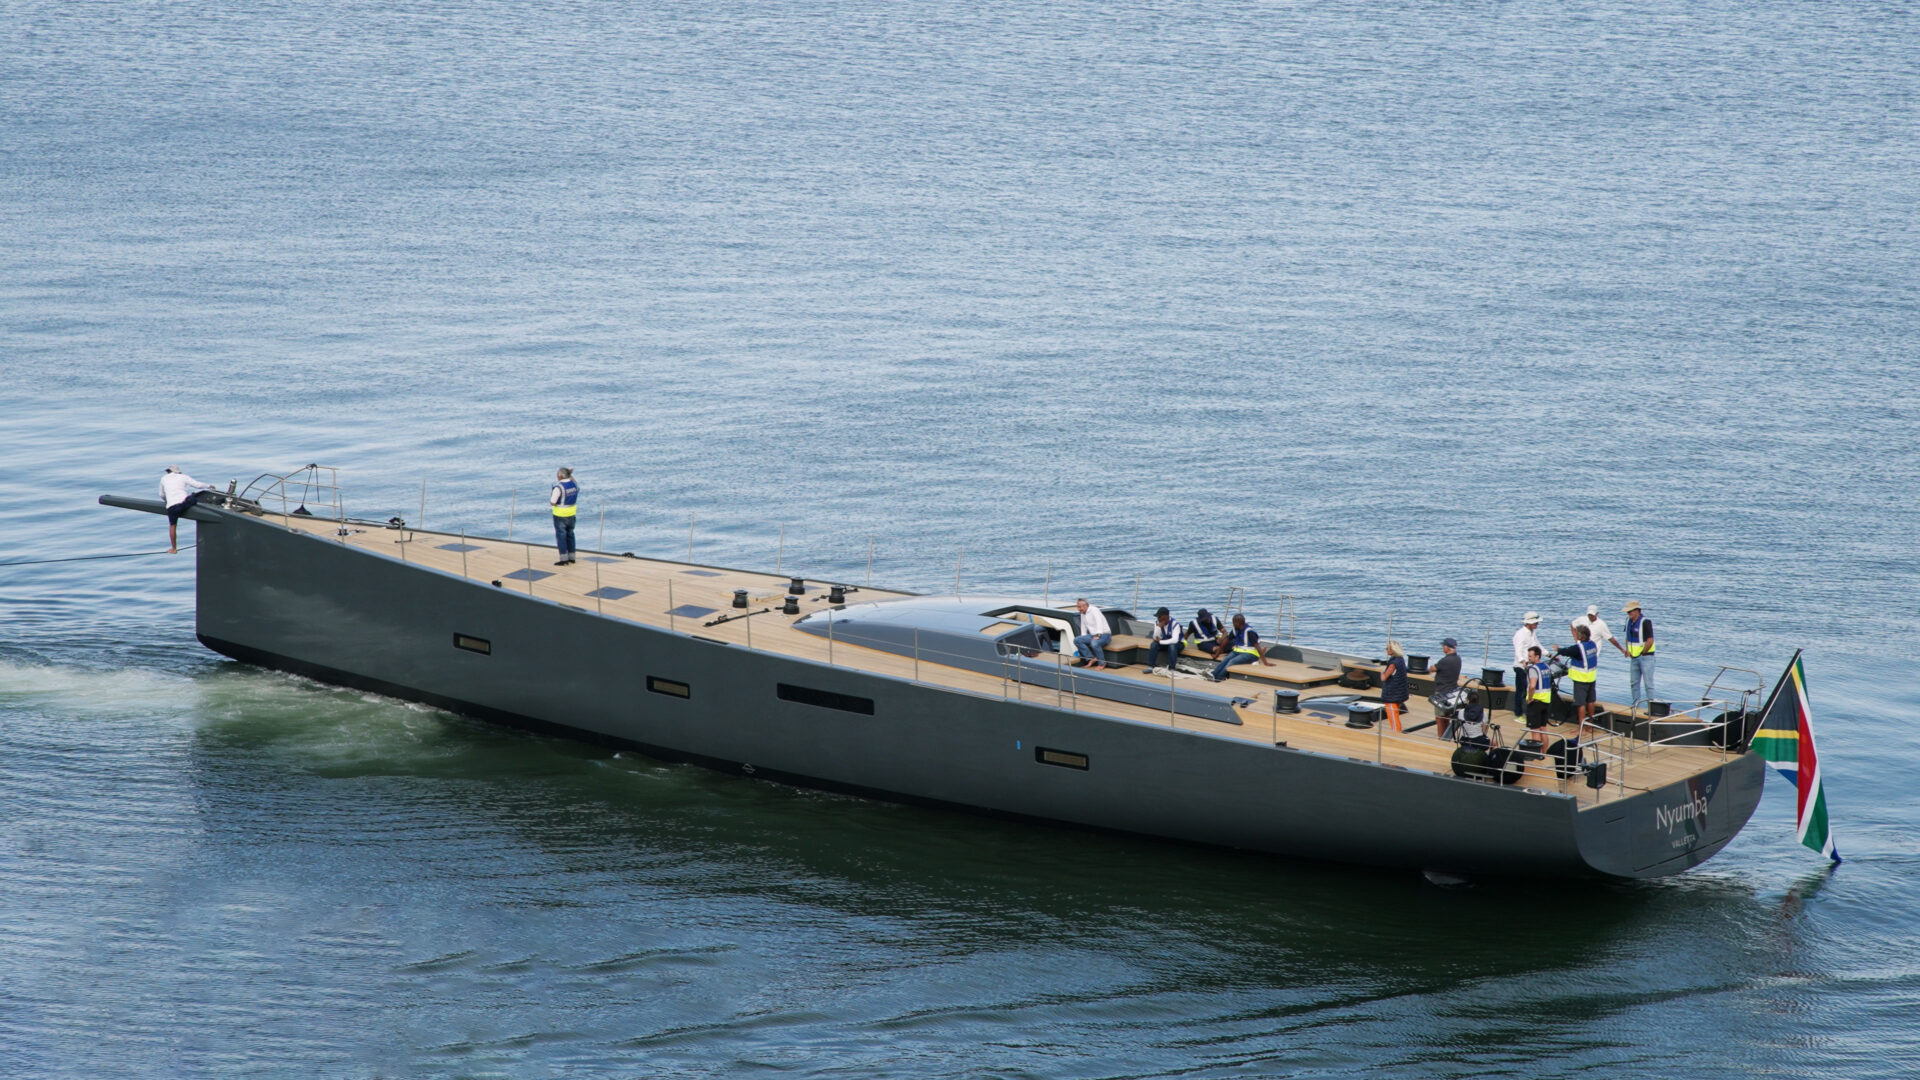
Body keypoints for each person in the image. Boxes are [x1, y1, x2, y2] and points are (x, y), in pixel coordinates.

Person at [160, 466, 216, 554]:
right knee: (193, 496)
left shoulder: (163, 479)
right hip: (184, 504)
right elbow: (197, 485)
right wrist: (209, 486)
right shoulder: (183, 476)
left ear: (168, 471)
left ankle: (174, 548)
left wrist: (167, 501)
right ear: (178, 472)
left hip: (172, 507)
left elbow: (161, 495)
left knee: (172, 526)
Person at [1556, 623, 1601, 724]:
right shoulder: (1592, 644)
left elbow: (1567, 651)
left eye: (1576, 634)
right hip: (1591, 678)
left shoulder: (1578, 648)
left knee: (1580, 704)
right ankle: (1590, 726)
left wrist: (1558, 649)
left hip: (1581, 680)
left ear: (1581, 636)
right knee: (1590, 701)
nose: (1574, 635)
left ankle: (1581, 728)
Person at [1209, 613, 1273, 681]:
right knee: (1226, 659)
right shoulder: (1235, 629)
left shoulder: (1249, 632)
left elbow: (1258, 647)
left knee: (1232, 661)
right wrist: (1217, 654)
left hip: (1251, 654)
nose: (1233, 624)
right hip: (1238, 651)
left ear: (1238, 623)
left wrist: (1265, 662)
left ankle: (1219, 678)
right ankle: (1213, 674)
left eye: (1234, 622)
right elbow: (1226, 640)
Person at [1622, 601, 1656, 709]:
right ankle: (1636, 705)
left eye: (1630, 611)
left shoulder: (1645, 622)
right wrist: (1627, 650)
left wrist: (1643, 652)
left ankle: (1652, 707)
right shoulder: (1628, 621)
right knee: (1634, 683)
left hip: (1646, 657)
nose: (1628, 614)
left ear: (1637, 611)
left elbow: (1650, 640)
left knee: (1648, 684)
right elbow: (1627, 637)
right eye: (1627, 612)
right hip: (1634, 657)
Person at [1511, 612, 1544, 715]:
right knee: (1521, 691)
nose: (1537, 624)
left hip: (1530, 666)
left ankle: (1527, 711)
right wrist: (1522, 661)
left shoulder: (1532, 633)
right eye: (1536, 622)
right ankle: (1518, 713)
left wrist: (1549, 654)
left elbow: (1538, 646)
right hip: (1521, 667)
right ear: (1529, 623)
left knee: (1528, 690)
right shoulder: (1520, 634)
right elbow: (1518, 650)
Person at [1431, 637, 1464, 738]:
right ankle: (1446, 736)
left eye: (1443, 646)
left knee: (1439, 718)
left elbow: (1432, 668)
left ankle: (1441, 738)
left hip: (1442, 691)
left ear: (1447, 648)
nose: (1442, 647)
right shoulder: (1458, 659)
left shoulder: (1445, 660)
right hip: (1452, 691)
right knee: (1446, 717)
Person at [550, 467, 580, 565]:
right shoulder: (574, 484)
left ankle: (564, 559)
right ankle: (572, 557)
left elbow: (552, 502)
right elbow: (576, 485)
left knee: (561, 536)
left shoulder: (558, 488)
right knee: (570, 534)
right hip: (572, 513)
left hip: (560, 515)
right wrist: (570, 475)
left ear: (560, 476)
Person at [1072, 598, 1112, 669]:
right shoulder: (1083, 613)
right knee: (1077, 640)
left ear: (1085, 605)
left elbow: (1099, 622)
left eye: (1079, 607)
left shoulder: (1094, 610)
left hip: (1104, 634)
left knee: (1094, 643)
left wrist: (1098, 634)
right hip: (1092, 635)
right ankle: (1091, 658)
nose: (1078, 609)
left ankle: (1102, 663)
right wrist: (1083, 637)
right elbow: (1083, 626)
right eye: (1077, 607)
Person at [1379, 640, 1410, 732]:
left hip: (1392, 693)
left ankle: (1396, 733)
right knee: (1395, 712)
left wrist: (1382, 673)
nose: (1386, 650)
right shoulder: (1401, 659)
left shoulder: (1393, 664)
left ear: (1393, 650)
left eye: (1387, 648)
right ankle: (1397, 731)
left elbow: (1384, 678)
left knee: (1392, 715)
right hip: (1399, 692)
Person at [1525, 645, 1554, 735]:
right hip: (1546, 701)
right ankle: (1544, 745)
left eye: (1530, 656)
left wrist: (1530, 698)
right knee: (1543, 728)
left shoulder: (1533, 669)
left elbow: (1532, 686)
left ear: (1537, 657)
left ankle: (1536, 745)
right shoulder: (1546, 666)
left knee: (1535, 730)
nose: (1528, 658)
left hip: (1536, 702)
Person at [1145, 607, 1183, 673]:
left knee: (1172, 646)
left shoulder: (1175, 624)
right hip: (1165, 643)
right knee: (1154, 644)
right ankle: (1151, 666)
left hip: (1178, 644)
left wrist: (1161, 641)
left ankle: (1171, 668)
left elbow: (1175, 640)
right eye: (1158, 617)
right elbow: (1155, 638)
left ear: (1166, 616)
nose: (1158, 618)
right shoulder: (1157, 623)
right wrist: (1158, 628)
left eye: (1160, 616)